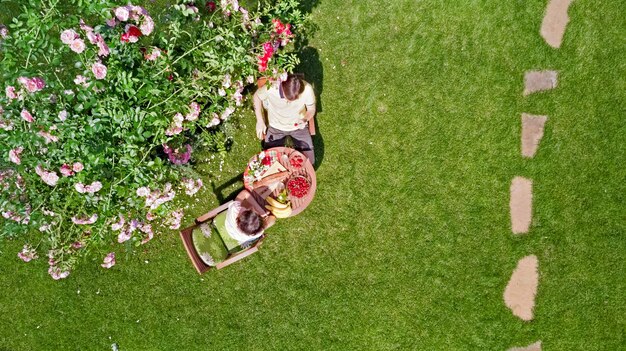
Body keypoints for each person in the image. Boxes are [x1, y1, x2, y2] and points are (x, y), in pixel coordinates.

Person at [253, 74, 316, 163]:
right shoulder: (272, 87)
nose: (289, 103)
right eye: (288, 99)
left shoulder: (307, 89)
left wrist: (304, 120)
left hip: (298, 127)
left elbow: (311, 109)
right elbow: (257, 97)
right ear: (282, 87)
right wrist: (260, 121)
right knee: (270, 162)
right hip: (276, 126)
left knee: (309, 162)